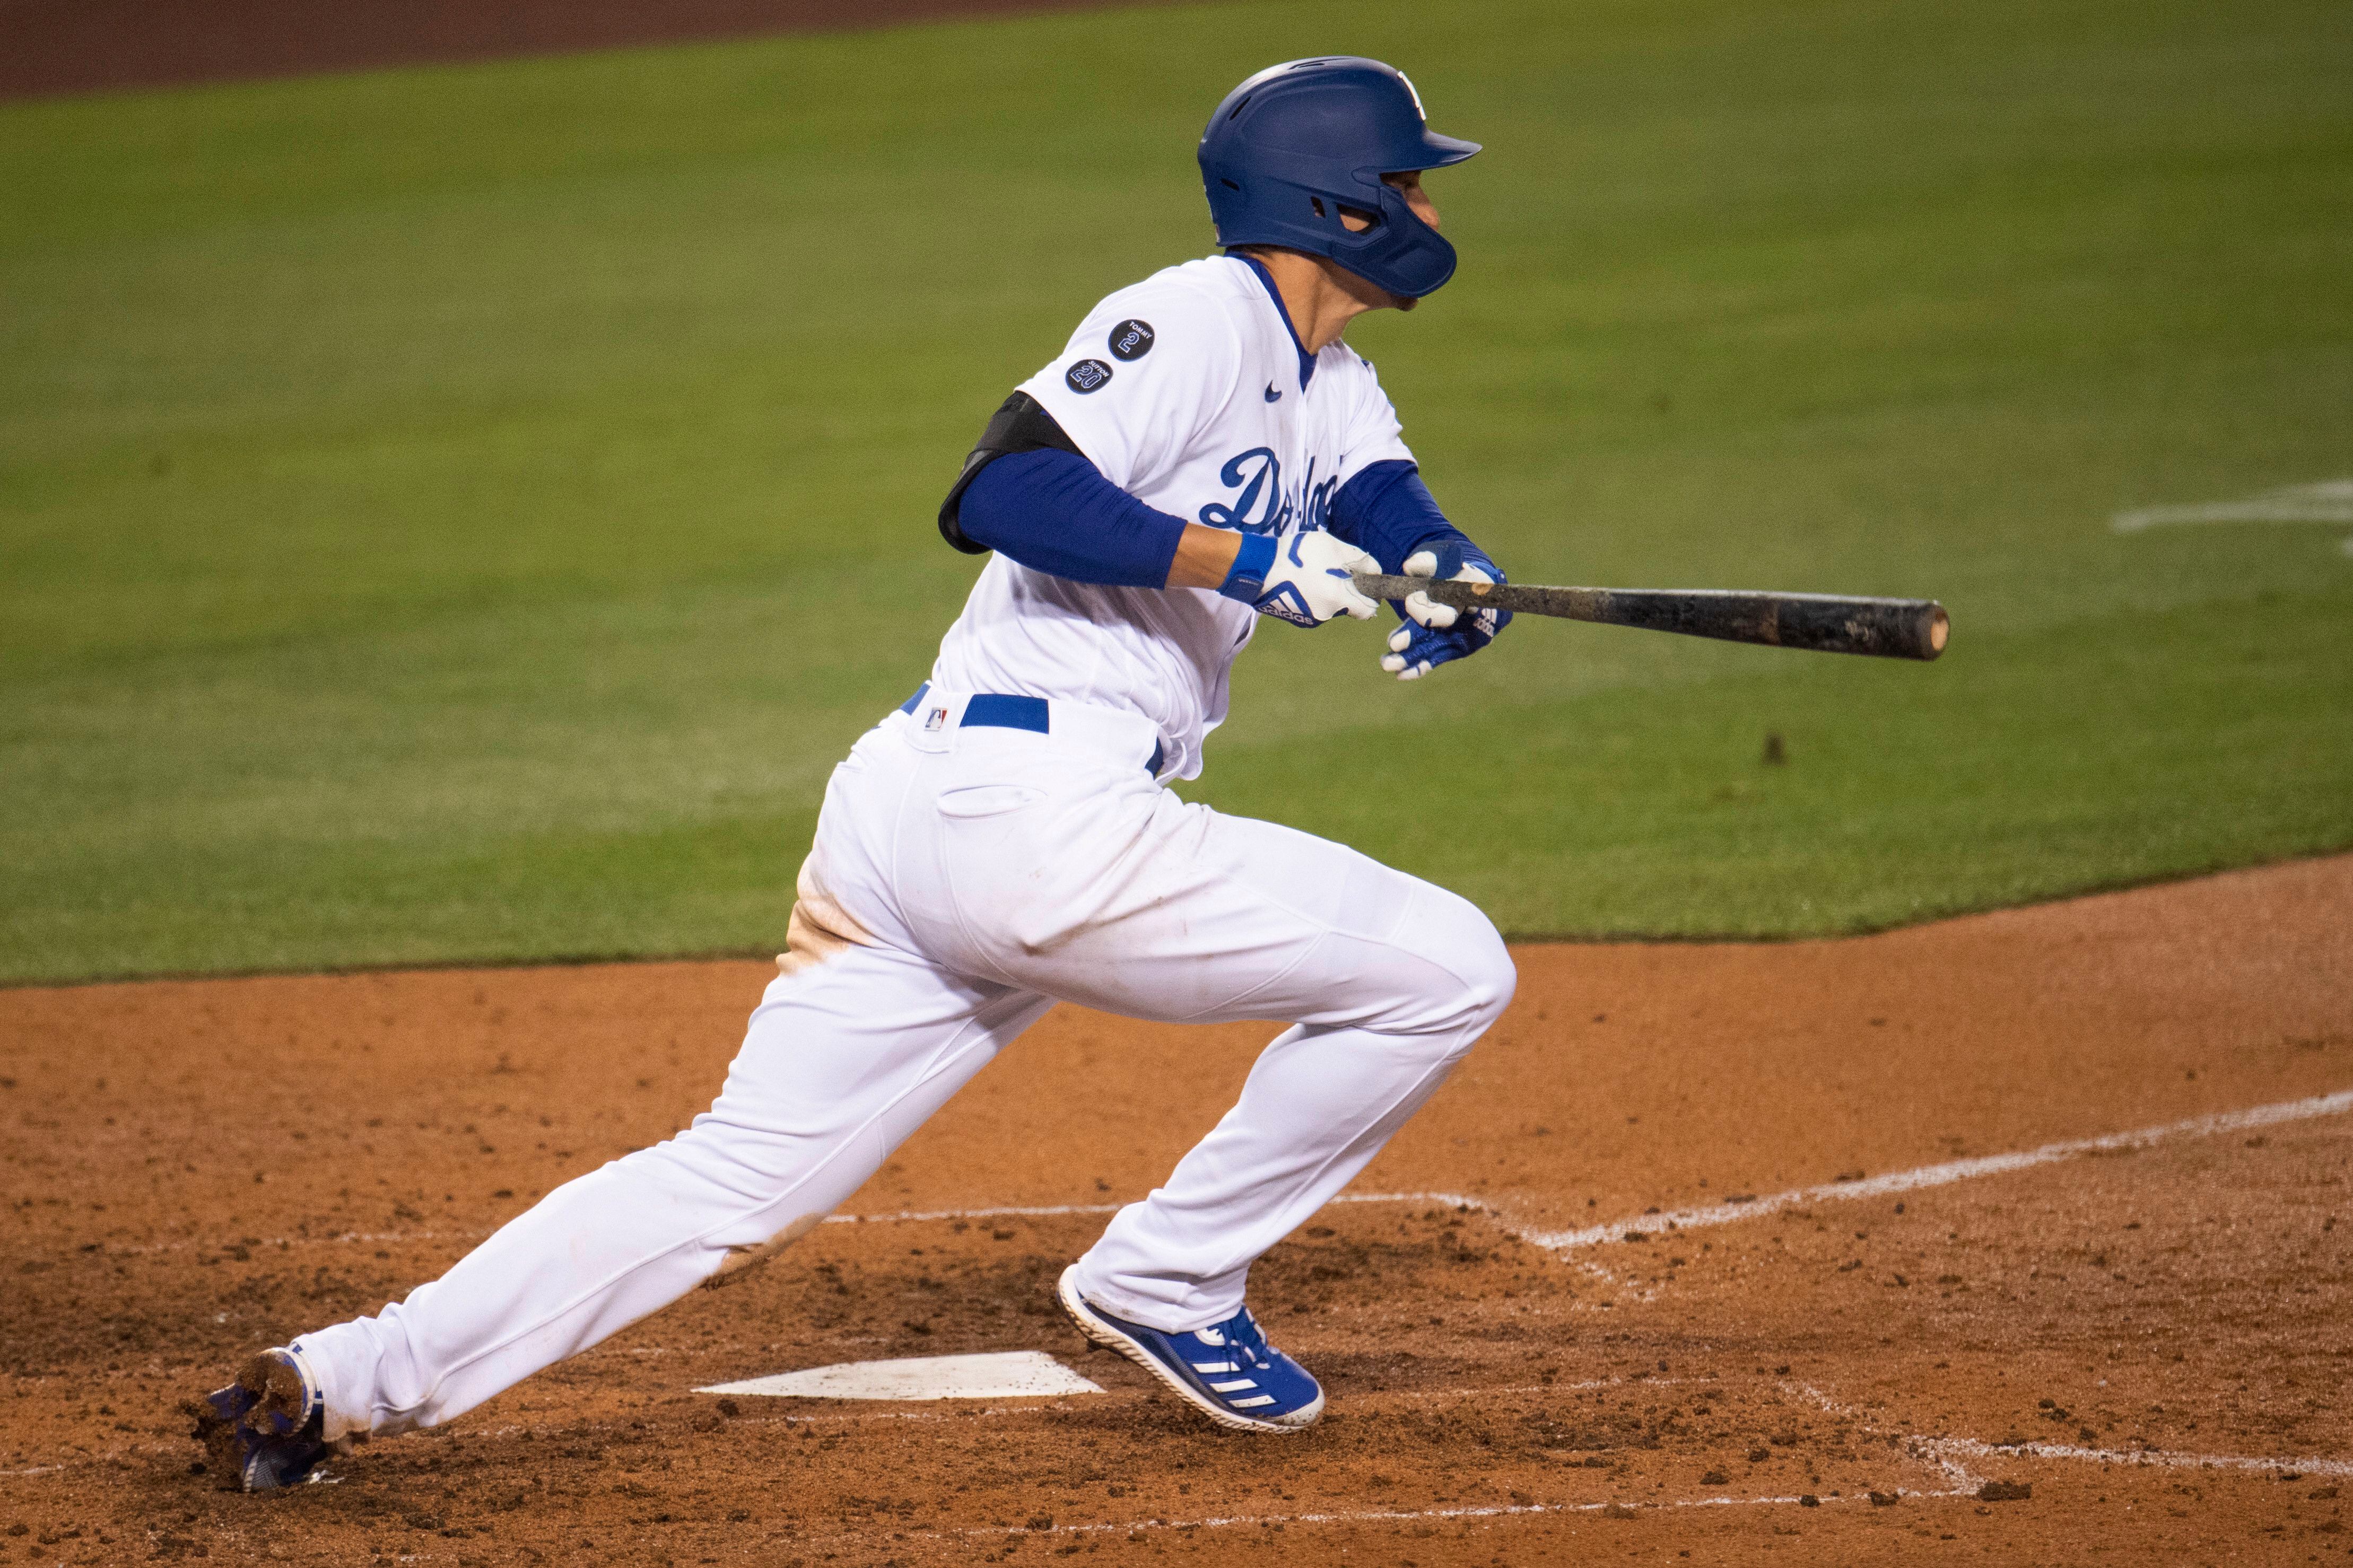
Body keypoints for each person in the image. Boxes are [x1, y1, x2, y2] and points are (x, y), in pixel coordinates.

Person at [189, 55, 1517, 1491]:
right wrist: (1241, 561)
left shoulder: (1325, 375)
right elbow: (999, 490)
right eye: (1408, 182)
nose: (1431, 206)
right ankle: (1170, 1279)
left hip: (923, 818)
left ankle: (329, 1383)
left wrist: (1449, 574)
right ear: (1339, 205)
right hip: (1037, 826)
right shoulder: (1193, 317)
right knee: (1444, 967)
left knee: (732, 1177)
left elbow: (1381, 498)